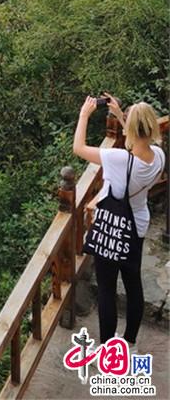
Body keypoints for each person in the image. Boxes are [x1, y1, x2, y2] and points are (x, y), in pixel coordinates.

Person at [73, 94, 165, 350]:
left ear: (132, 130)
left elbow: (79, 148)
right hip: (137, 226)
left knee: (106, 289)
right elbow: (139, 141)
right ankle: (130, 342)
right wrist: (121, 116)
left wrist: (84, 115)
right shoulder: (159, 156)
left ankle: (107, 349)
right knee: (133, 285)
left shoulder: (118, 160)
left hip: (113, 228)